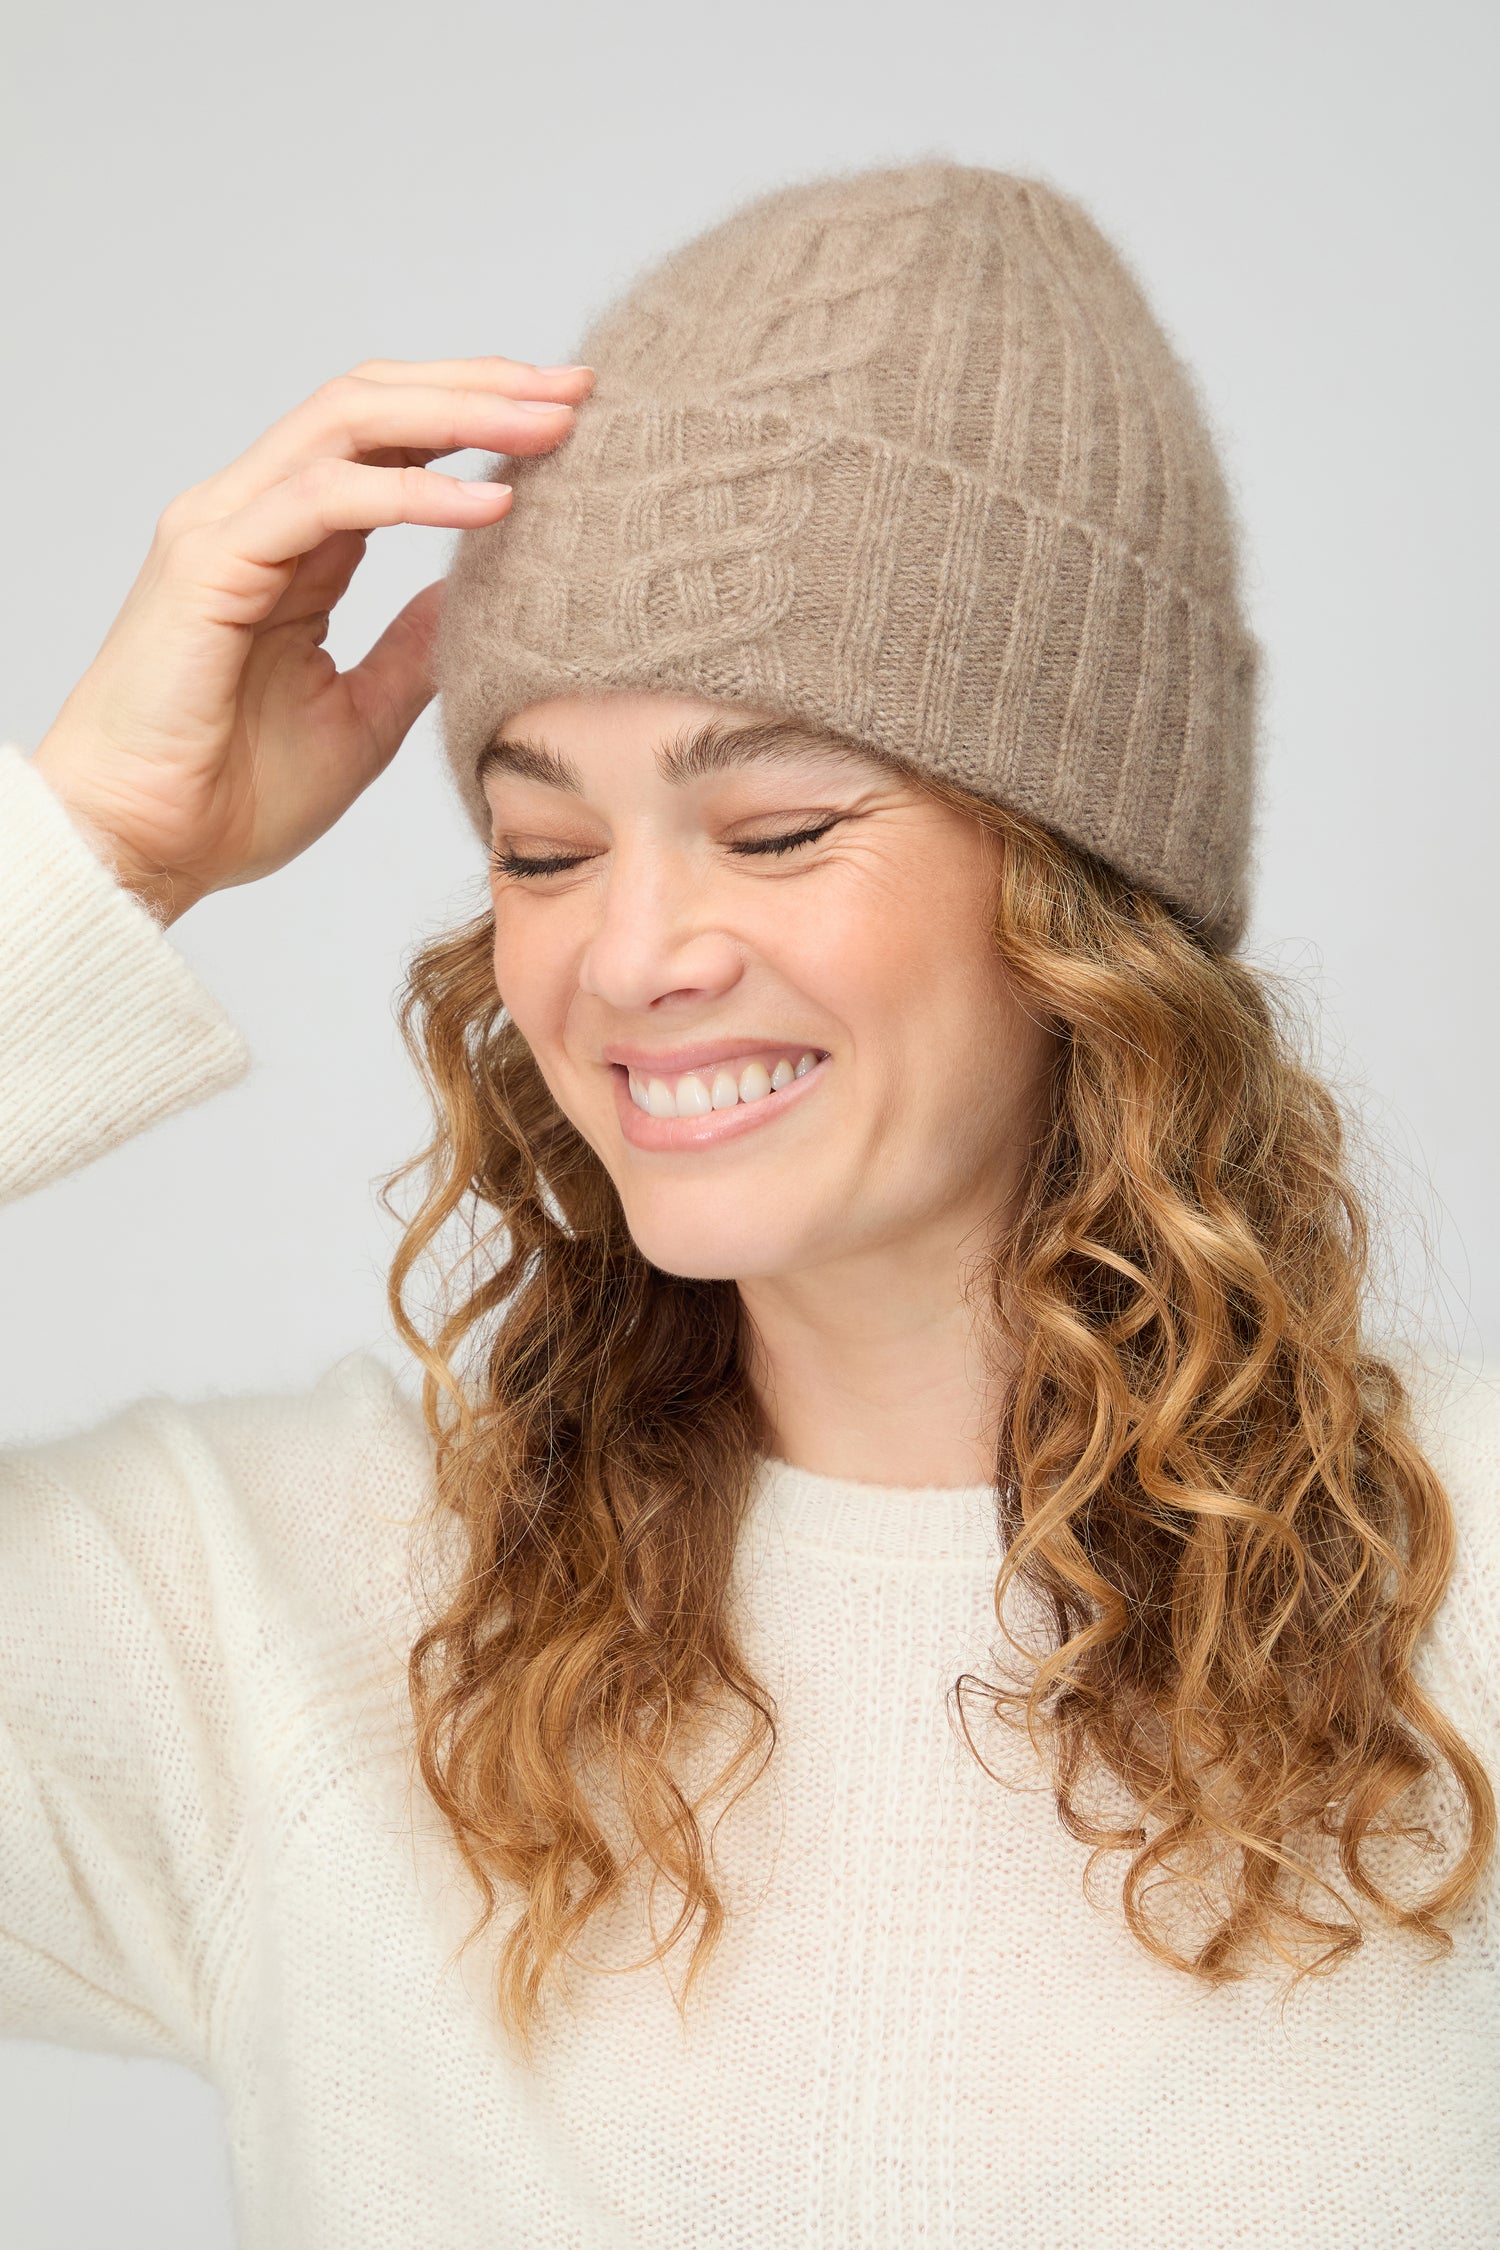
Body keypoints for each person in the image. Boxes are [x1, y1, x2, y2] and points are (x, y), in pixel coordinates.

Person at [2, 160, 1496, 2249]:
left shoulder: (1474, 1591)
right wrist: (89, 854)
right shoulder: (274, 1624)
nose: (628, 959)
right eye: (539, 852)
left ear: (1085, 901)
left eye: (777, 827)